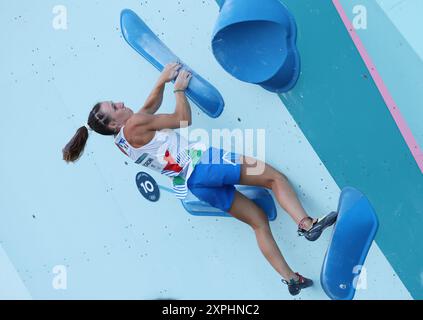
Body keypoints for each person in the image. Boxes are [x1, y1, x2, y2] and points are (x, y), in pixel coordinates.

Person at [62, 63, 337, 296]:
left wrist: (161, 80)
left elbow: (147, 108)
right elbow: (182, 120)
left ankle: (290, 279)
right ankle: (306, 224)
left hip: (196, 185)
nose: (120, 102)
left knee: (258, 222)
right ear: (113, 123)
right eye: (114, 106)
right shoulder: (133, 125)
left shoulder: (121, 140)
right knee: (274, 179)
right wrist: (179, 89)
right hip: (205, 164)